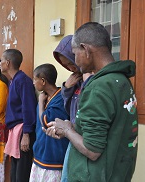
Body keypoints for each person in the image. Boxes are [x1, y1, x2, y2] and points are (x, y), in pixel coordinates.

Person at [44, 22, 138, 181]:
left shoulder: (98, 88)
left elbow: (92, 149)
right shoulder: (121, 80)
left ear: (86, 49)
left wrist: (67, 130)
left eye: (75, 54)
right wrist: (71, 127)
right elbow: (107, 128)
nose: (75, 61)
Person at [53, 35, 93, 182]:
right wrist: (66, 88)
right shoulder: (74, 79)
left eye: (70, 62)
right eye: (65, 65)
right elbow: (68, 107)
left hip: (86, 138)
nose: (70, 67)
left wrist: (86, 81)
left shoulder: (91, 79)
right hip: (73, 136)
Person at [0, 49, 37, 182]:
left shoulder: (23, 81)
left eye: (2, 60)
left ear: (8, 63)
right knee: (14, 171)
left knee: (22, 172)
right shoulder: (13, 80)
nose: (0, 63)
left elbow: (28, 107)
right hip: (15, 130)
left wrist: (26, 134)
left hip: (22, 131)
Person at [29, 63, 69, 182]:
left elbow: (46, 122)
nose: (33, 82)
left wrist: (40, 103)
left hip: (53, 155)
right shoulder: (47, 96)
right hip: (41, 151)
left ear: (43, 81)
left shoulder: (60, 98)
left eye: (34, 79)